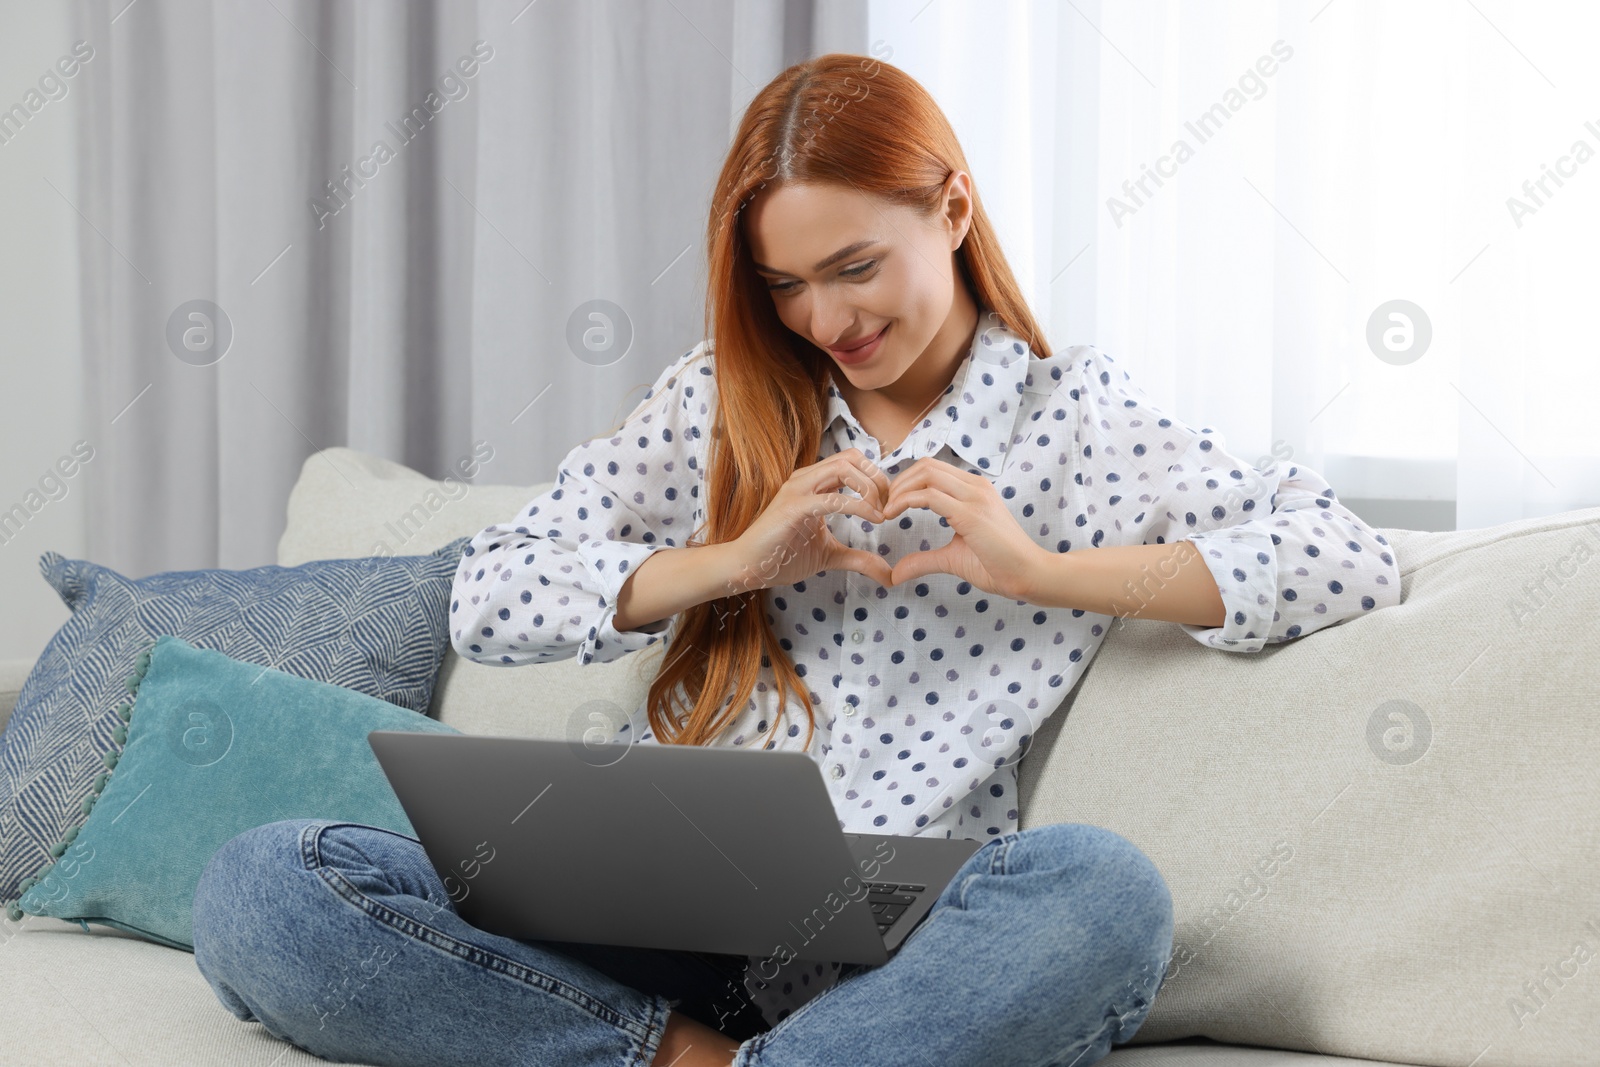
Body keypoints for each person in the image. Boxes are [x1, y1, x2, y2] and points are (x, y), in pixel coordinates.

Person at [191, 52, 1400, 1067]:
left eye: (855, 267)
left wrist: (1037, 569)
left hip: (906, 945)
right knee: (266, 879)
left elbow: (1342, 555)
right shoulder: (716, 405)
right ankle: (678, 1057)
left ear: (954, 211)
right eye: (786, 286)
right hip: (668, 910)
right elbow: (486, 592)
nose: (826, 321)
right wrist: (729, 560)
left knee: (1101, 894)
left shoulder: (1075, 418)